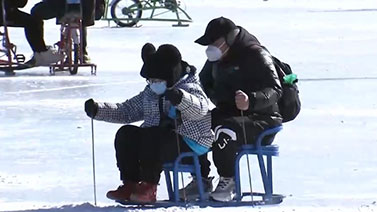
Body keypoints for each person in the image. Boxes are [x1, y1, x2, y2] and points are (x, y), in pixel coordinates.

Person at [84, 43, 214, 203]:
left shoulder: (190, 87)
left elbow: (200, 109)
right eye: (150, 80)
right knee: (127, 133)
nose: (153, 83)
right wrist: (98, 110)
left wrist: (180, 98)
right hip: (158, 142)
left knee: (153, 135)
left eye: (156, 80)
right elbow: (127, 110)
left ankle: (148, 187)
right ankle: (130, 183)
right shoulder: (151, 92)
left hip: (191, 142)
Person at [192, 17, 283, 202]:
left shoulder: (256, 54)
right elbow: (204, 80)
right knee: (194, 123)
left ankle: (229, 180)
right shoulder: (217, 58)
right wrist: (221, 99)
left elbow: (275, 89)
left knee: (225, 130)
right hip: (230, 114)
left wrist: (251, 101)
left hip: (263, 119)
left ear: (230, 38)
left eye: (215, 42)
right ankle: (201, 178)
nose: (211, 48)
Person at [30, 0, 101, 64]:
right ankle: (83, 52)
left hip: (61, 7)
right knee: (81, 18)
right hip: (87, 8)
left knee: (35, 12)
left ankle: (41, 52)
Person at [0, 0, 63, 66]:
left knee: (32, 19)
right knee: (32, 22)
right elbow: (21, 4)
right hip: (5, 14)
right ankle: (41, 52)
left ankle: (41, 52)